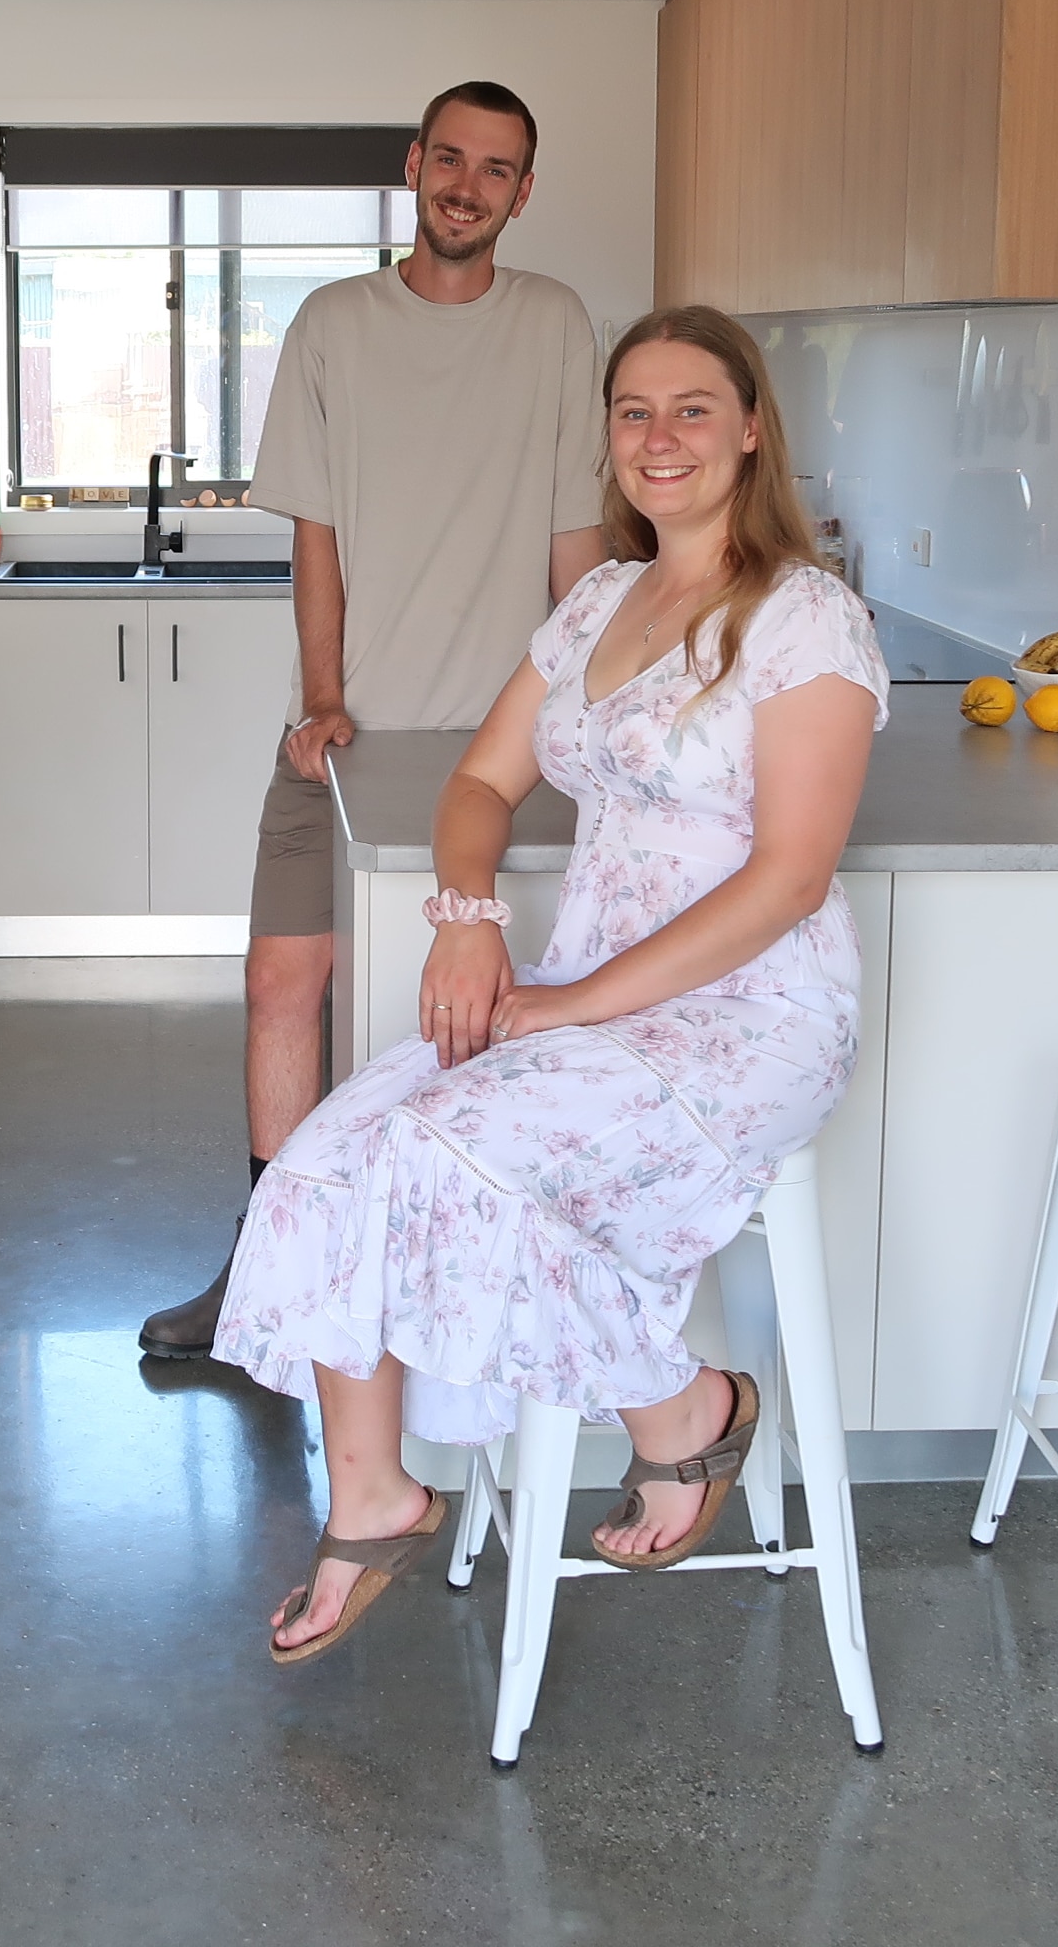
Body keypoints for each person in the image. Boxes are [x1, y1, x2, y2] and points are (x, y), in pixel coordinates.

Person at [213, 306, 888, 1661]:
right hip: (577, 986)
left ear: (752, 428)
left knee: (453, 1158)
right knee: (331, 1155)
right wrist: (468, 916)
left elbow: (791, 880)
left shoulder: (807, 620)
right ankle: (374, 1494)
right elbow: (481, 781)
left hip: (744, 1018)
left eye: (693, 408)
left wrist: (569, 1007)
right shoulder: (596, 604)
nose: (659, 437)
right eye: (633, 411)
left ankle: (682, 1411)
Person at [138, 81, 609, 1356]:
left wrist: (597, 720)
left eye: (497, 167)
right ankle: (264, 1275)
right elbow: (318, 540)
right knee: (282, 980)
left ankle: (420, 1277)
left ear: (523, 189)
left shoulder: (558, 325)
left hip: (507, 751)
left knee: (463, 1016)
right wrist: (328, 696)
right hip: (336, 737)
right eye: (448, 157)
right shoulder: (334, 323)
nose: (468, 183)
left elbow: (581, 552)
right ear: (414, 166)